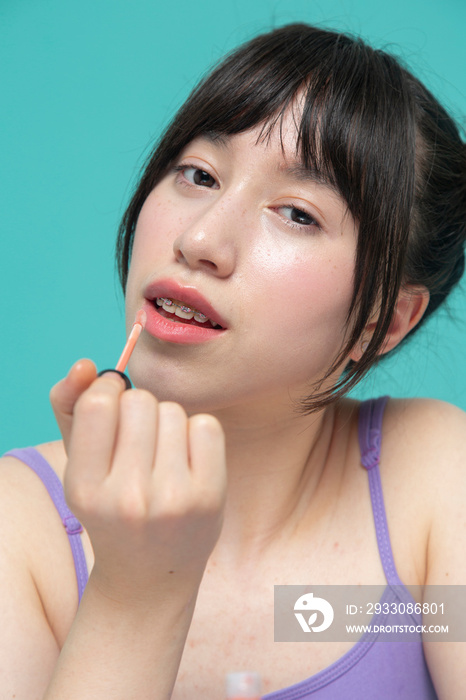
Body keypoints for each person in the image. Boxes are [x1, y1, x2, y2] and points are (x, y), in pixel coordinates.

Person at [1, 22, 465, 700]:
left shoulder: (432, 475)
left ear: (381, 323)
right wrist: (136, 594)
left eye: (298, 214)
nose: (200, 239)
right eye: (199, 174)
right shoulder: (20, 528)